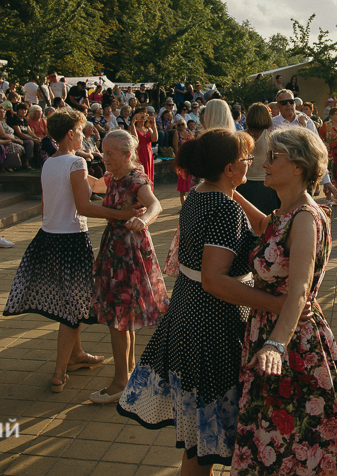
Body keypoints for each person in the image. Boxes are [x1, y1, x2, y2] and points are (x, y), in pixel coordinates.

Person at [120, 129, 291, 474]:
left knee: (199, 443)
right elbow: (215, 280)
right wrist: (277, 305)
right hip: (211, 323)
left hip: (189, 311)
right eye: (245, 159)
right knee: (205, 445)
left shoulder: (201, 194)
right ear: (229, 169)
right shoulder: (224, 208)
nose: (253, 163)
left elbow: (261, 224)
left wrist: (235, 192)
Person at [228, 126, 337, 475]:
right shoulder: (284, 213)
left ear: (299, 167)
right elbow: (265, 229)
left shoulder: (305, 218)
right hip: (269, 333)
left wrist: (275, 343)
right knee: (275, 442)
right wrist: (231, 192)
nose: (265, 163)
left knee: (294, 446)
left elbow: (300, 288)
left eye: (275, 157)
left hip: (291, 343)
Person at [3, 110, 143, 393]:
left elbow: (93, 187)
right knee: (74, 307)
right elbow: (85, 206)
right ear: (70, 133)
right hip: (70, 239)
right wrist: (121, 213)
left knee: (68, 300)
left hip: (47, 237)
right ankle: (59, 371)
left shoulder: (49, 163)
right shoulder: (76, 161)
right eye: (81, 131)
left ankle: (76, 356)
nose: (84, 135)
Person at [87, 129, 169, 404]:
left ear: (126, 155)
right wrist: (69, 167)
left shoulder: (135, 177)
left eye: (109, 153)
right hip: (115, 249)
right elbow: (96, 186)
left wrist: (143, 220)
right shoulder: (114, 176)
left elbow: (155, 204)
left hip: (128, 253)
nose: (104, 156)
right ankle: (129, 374)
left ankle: (120, 382)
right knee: (124, 316)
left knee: (118, 318)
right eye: (102, 151)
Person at [238, 102, 279, 214]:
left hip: (243, 184)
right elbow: (273, 161)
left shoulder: (240, 136)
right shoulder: (271, 137)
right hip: (266, 184)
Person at [128, 106, 158, 185]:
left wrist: (154, 124)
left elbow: (155, 139)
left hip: (148, 153)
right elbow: (136, 140)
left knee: (148, 172)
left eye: (144, 114)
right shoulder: (132, 127)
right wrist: (133, 123)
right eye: (140, 114)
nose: (142, 116)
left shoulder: (148, 129)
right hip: (139, 153)